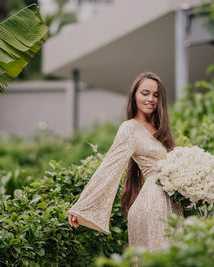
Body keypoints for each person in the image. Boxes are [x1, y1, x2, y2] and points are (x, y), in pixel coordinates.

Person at [67, 72, 183, 252]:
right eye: (145, 93)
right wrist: (81, 207)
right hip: (153, 203)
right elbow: (109, 167)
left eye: (156, 95)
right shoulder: (129, 128)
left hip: (171, 202)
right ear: (134, 95)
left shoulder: (161, 130)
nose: (151, 99)